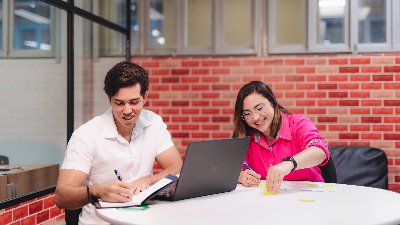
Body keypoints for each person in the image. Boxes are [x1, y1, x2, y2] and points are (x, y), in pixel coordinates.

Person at [55, 61, 183, 224]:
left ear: (145, 97)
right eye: (119, 103)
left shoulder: (153, 122)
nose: (127, 111)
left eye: (134, 102)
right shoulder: (86, 136)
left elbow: (176, 166)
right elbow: (61, 196)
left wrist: (149, 180)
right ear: (109, 99)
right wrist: (96, 191)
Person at [232, 81, 329, 194]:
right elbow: (233, 168)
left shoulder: (299, 124)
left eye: (260, 108)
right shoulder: (247, 136)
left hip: (308, 198)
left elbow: (320, 151)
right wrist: (241, 176)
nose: (255, 117)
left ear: (272, 102)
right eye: (248, 113)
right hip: (267, 202)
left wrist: (290, 163)